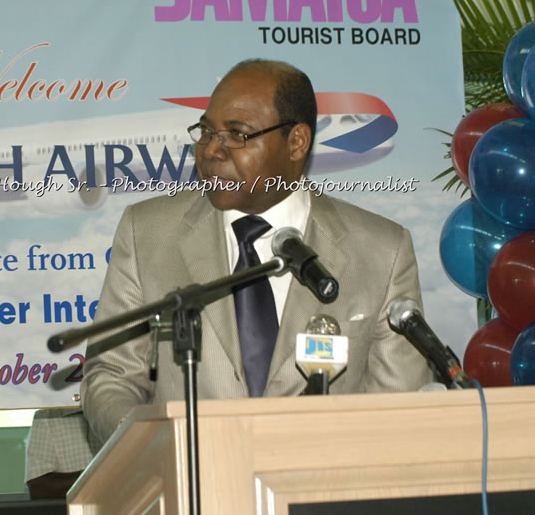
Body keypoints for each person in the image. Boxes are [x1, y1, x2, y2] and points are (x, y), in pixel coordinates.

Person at [81, 58, 433, 444]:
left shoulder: (383, 250)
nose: (211, 150)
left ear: (296, 142)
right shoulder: (147, 232)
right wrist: (151, 453)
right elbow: (112, 375)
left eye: (237, 134)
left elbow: (396, 410)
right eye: (206, 131)